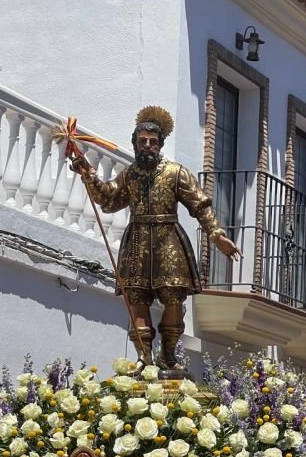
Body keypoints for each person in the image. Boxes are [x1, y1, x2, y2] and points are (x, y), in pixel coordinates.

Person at [70, 106, 240, 370]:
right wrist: (89, 175)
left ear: (160, 144)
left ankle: (169, 356)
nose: (147, 146)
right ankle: (144, 357)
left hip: (168, 240)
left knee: (173, 297)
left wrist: (216, 234)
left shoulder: (175, 172)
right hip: (137, 240)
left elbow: (199, 204)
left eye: (152, 142)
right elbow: (109, 199)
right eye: (142, 142)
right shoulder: (129, 175)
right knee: (137, 298)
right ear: (135, 144)